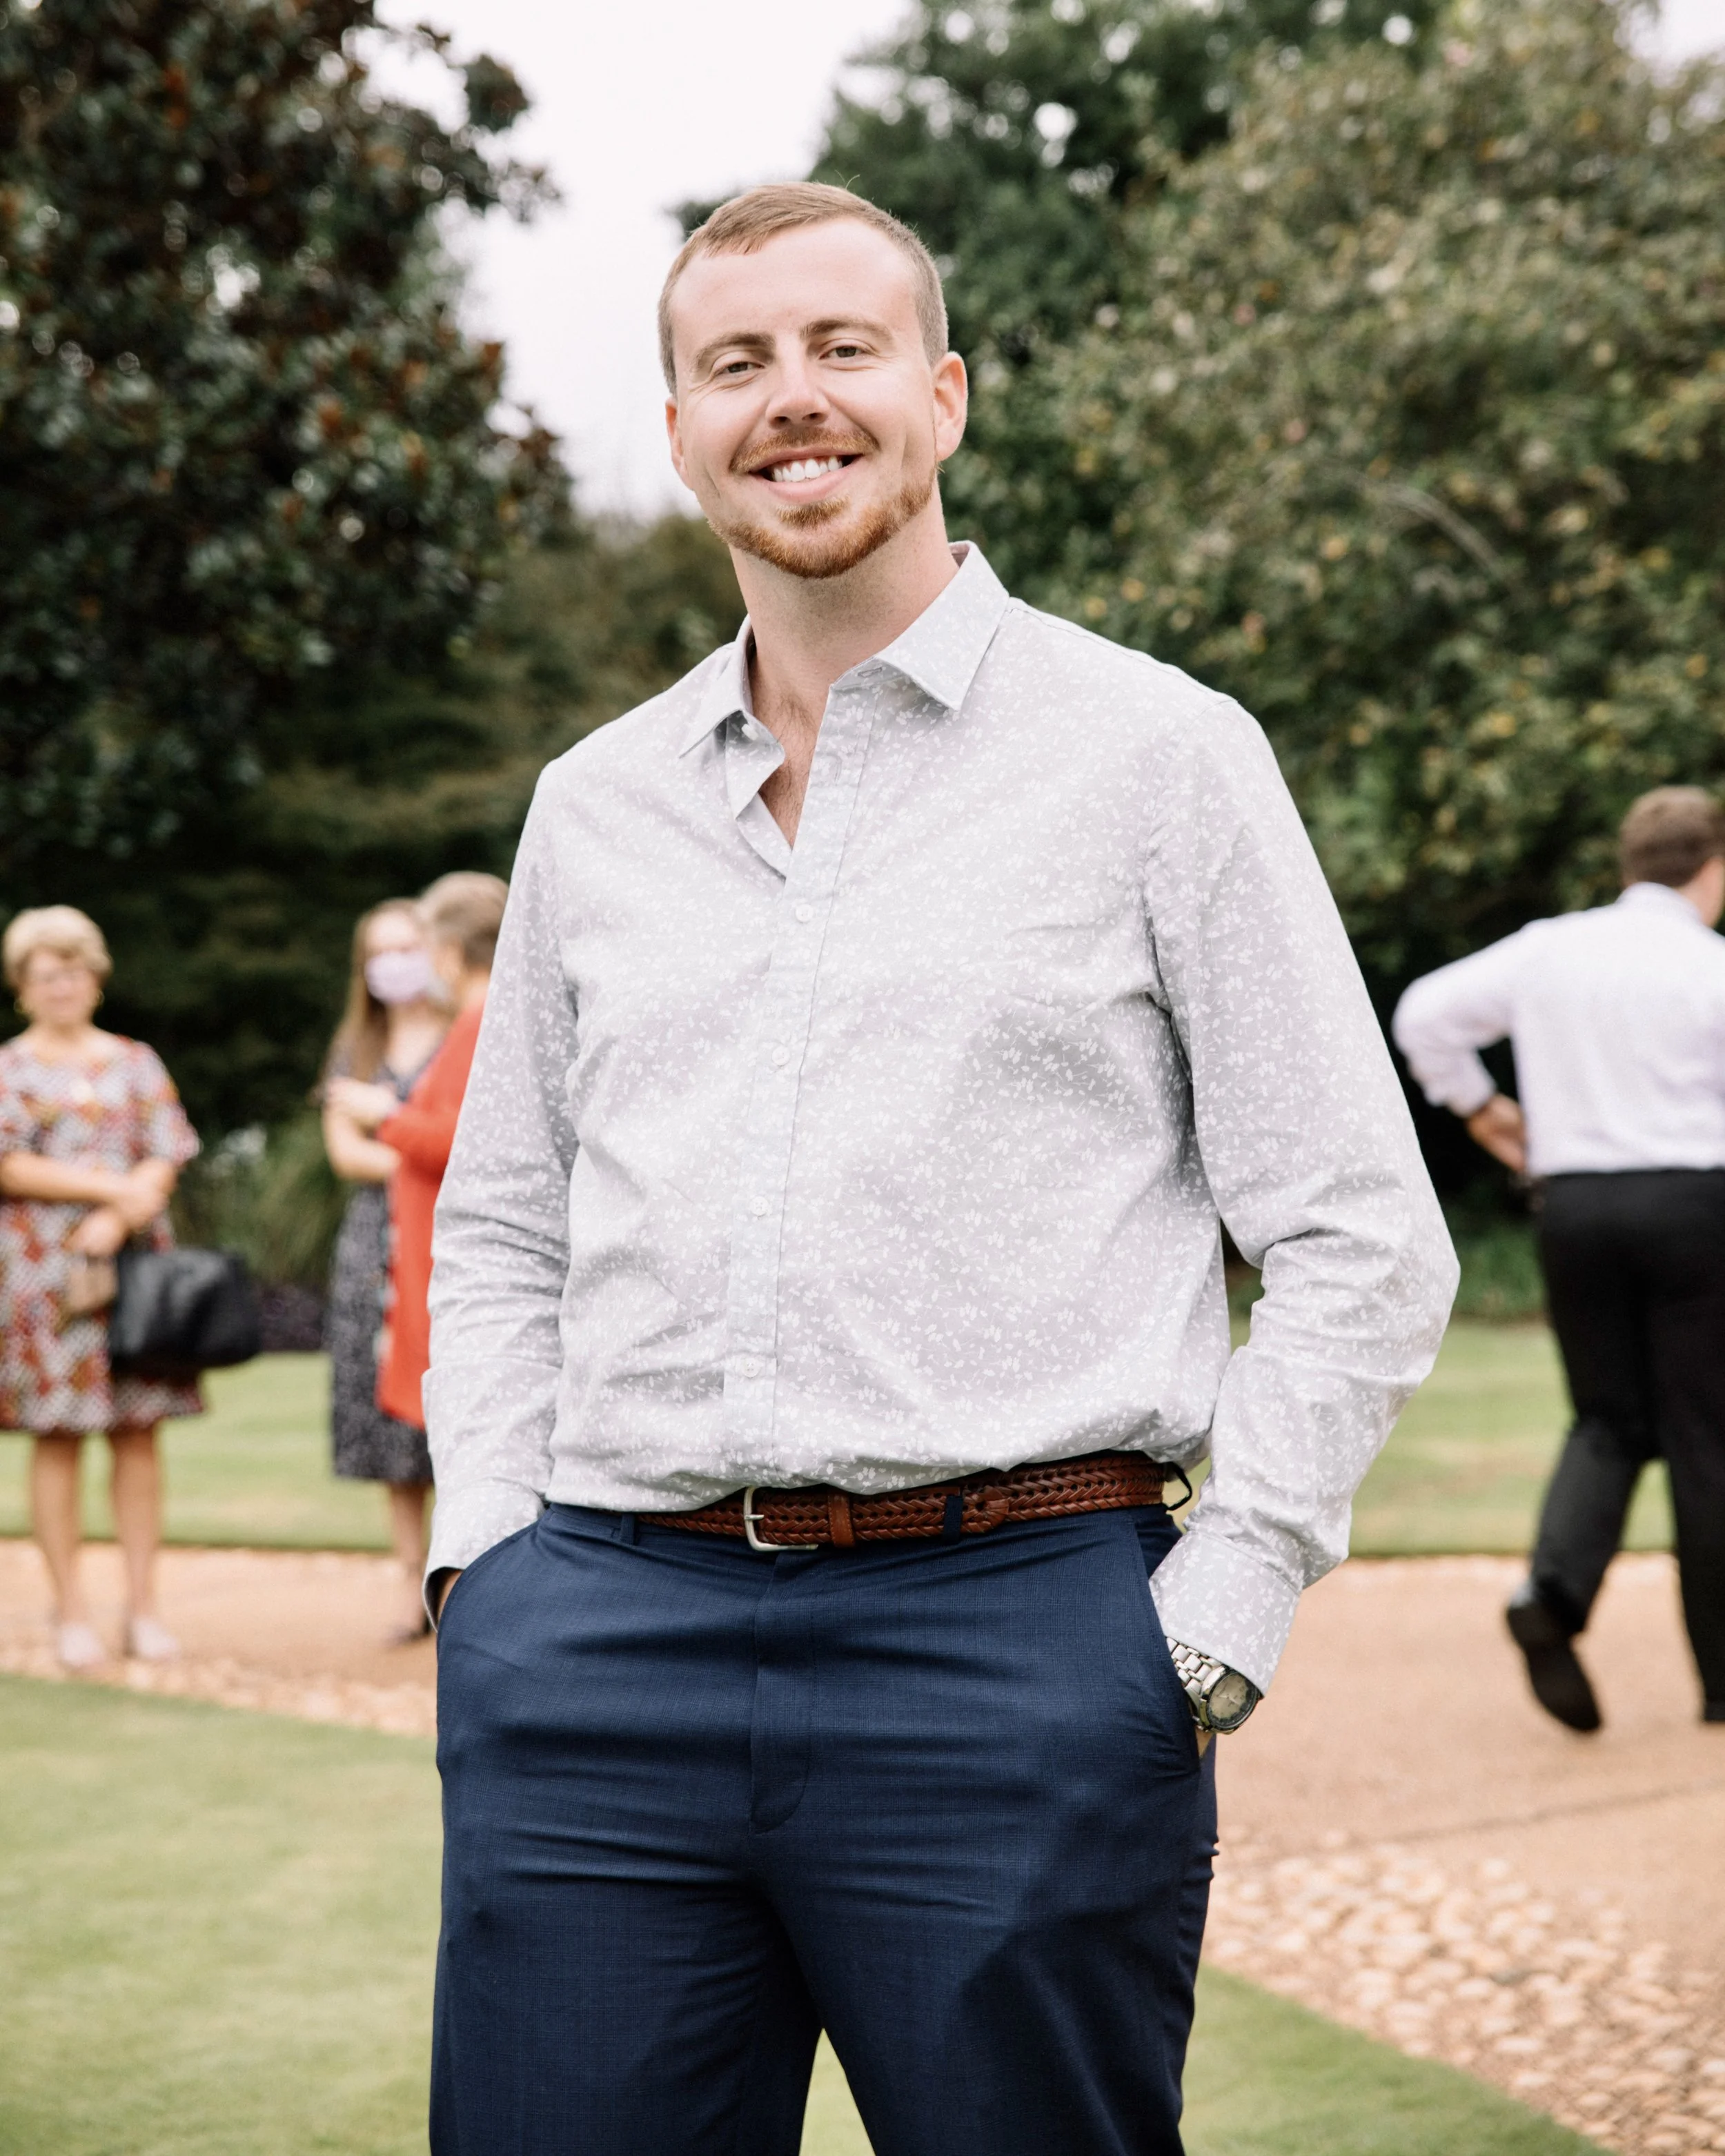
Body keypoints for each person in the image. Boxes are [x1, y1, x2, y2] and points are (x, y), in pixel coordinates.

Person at [424, 183, 1455, 2156]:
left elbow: (1352, 1228)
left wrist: (1214, 1604)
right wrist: (487, 1564)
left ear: (942, 395)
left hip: (1016, 1647)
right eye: (735, 362)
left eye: (840, 348)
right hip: (597, 1652)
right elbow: (504, 1225)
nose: (790, 400)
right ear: (676, 428)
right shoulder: (593, 802)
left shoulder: (1156, 754)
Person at [1394, 786, 1725, 1734]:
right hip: (1697, 1205)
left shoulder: (1551, 949)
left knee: (1607, 1422)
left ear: (1631, 864)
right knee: (1709, 1439)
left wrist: (1480, 1108)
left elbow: (1424, 1013)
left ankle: (1553, 1595)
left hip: (1576, 1208)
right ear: (1710, 871)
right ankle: (1722, 1681)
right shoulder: (1710, 967)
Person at [0, 907, 201, 1669]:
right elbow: (10, 1163)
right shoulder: (10, 1067)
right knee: (57, 1433)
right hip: (44, 1272)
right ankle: (70, 1610)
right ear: (24, 985)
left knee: (137, 1429)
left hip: (135, 1266)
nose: (64, 984)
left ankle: (144, 1605)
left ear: (97, 976)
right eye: (48, 973)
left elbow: (167, 1147)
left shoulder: (134, 1059)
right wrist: (109, 1191)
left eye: (76, 969)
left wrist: (120, 1212)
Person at [328, 871, 505, 1636]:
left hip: (449, 1262)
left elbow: (460, 1141)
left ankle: (468, 1604)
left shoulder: (478, 1018)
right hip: (410, 1250)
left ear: (448, 946)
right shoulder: (471, 1016)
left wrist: (387, 1115)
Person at [320, 899, 450, 1644]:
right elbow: (346, 1153)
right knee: (390, 1423)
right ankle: (410, 1582)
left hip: (444, 1240)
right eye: (380, 950)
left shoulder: (467, 1033)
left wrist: (388, 1125)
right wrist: (423, 1151)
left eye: (408, 944)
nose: (395, 960)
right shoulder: (357, 1044)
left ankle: (460, 1575)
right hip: (375, 1243)